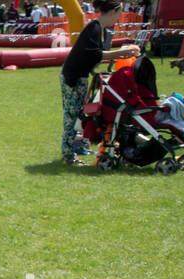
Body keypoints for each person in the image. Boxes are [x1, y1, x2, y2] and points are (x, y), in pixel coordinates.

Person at [59, 0, 139, 166]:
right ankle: (68, 155)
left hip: (77, 75)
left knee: (77, 115)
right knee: (72, 116)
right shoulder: (94, 28)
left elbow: (95, 55)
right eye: (118, 14)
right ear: (112, 12)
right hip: (73, 77)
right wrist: (121, 52)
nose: (118, 19)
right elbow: (94, 54)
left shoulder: (97, 28)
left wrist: (119, 55)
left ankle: (71, 151)